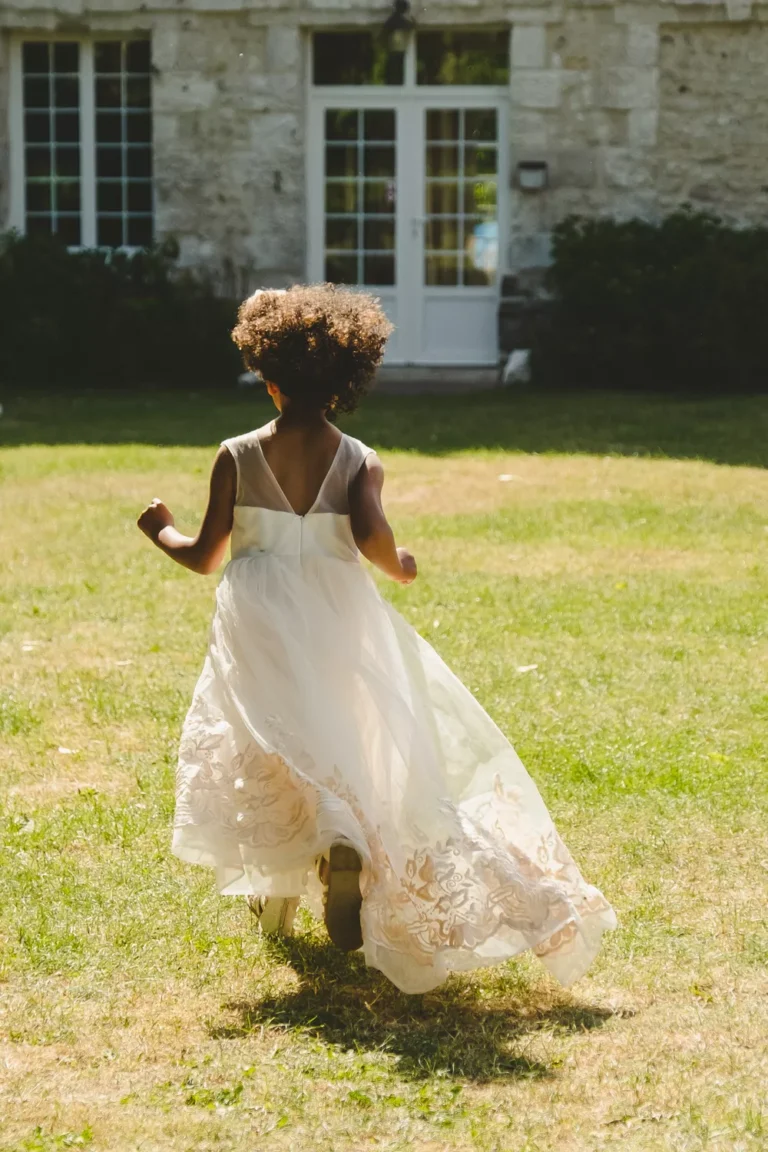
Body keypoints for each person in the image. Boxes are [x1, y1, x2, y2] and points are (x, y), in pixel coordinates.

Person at [137, 284, 616, 994]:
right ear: (346, 386)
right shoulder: (359, 460)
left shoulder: (236, 455)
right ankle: (341, 838)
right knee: (341, 734)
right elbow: (375, 543)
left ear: (268, 381)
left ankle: (283, 887)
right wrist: (404, 566)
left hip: (260, 614)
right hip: (337, 613)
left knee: (270, 741)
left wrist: (160, 529)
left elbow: (206, 553)